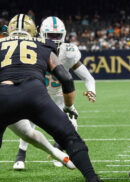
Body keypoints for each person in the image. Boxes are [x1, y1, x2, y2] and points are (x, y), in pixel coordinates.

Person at [0, 14, 112, 182]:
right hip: (35, 94)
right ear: (34, 31)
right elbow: (66, 79)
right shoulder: (43, 46)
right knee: (69, 136)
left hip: (3, 96)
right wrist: (68, 106)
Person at [12, 16, 96, 170]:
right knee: (27, 123)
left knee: (72, 125)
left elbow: (88, 77)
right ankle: (20, 156)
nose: (54, 39)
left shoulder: (68, 52)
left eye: (57, 36)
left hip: (60, 96)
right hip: (39, 93)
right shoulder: (33, 47)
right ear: (42, 33)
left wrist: (92, 90)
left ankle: (59, 150)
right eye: (51, 35)